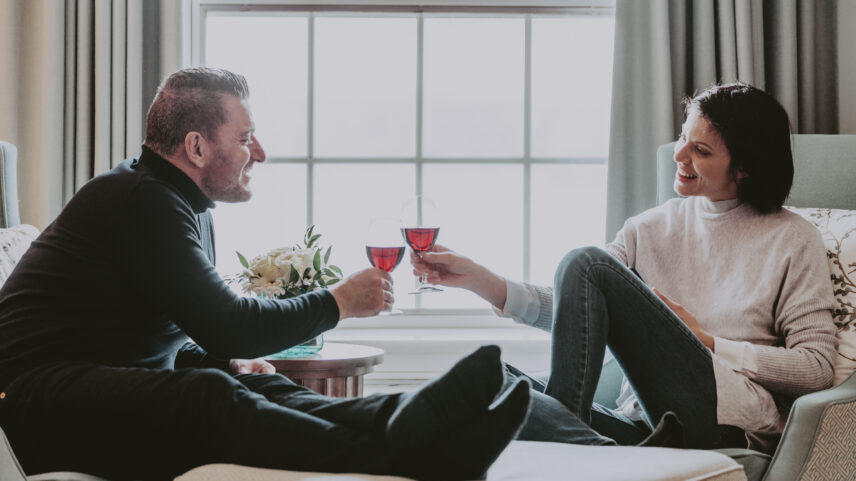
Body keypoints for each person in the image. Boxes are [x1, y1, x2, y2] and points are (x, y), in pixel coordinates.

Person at [0, 67, 532, 481]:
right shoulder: (143, 202)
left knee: (265, 386)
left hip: (84, 384)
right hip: (29, 405)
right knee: (207, 396)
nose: (260, 152)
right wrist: (338, 301)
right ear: (196, 147)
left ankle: (410, 415)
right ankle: (421, 461)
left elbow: (146, 332)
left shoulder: (178, 203)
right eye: (246, 137)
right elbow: (228, 322)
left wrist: (227, 358)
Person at [411, 82, 838, 453]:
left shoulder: (792, 238)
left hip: (723, 419)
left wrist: (708, 341)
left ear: (744, 167)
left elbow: (816, 367)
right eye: (683, 138)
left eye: (701, 150)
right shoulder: (649, 228)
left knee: (586, 261)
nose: (679, 154)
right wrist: (483, 282)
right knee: (489, 380)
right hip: (644, 426)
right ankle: (586, 444)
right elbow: (580, 312)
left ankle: (567, 443)